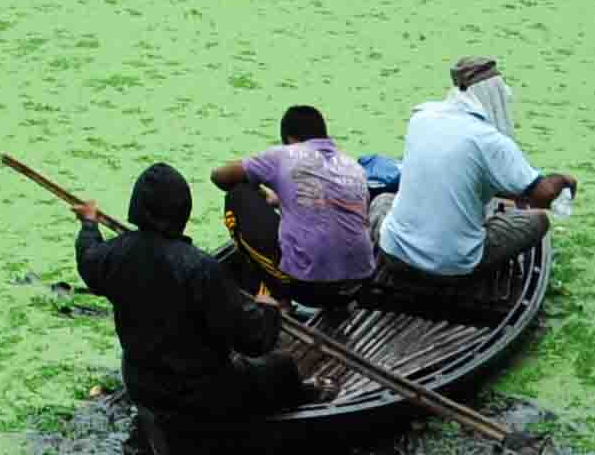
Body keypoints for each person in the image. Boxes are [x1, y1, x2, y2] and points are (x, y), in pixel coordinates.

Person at [76, 163, 310, 420]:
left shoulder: (114, 254)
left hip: (143, 385)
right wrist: (268, 309)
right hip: (203, 391)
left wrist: (89, 224)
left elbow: (88, 256)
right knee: (283, 367)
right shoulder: (200, 268)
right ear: (182, 210)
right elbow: (252, 341)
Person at [374, 57, 576, 313]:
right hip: (454, 267)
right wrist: (563, 180)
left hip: (395, 256)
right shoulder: (489, 140)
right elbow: (543, 195)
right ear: (495, 95)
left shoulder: (421, 119)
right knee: (537, 220)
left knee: (382, 202)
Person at [213, 105, 378, 306]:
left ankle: (277, 297)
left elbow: (220, 177)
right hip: (357, 286)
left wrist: (261, 189)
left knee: (237, 195)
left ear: (289, 139)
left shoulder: (285, 154)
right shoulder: (354, 166)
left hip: (308, 289)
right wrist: (280, 197)